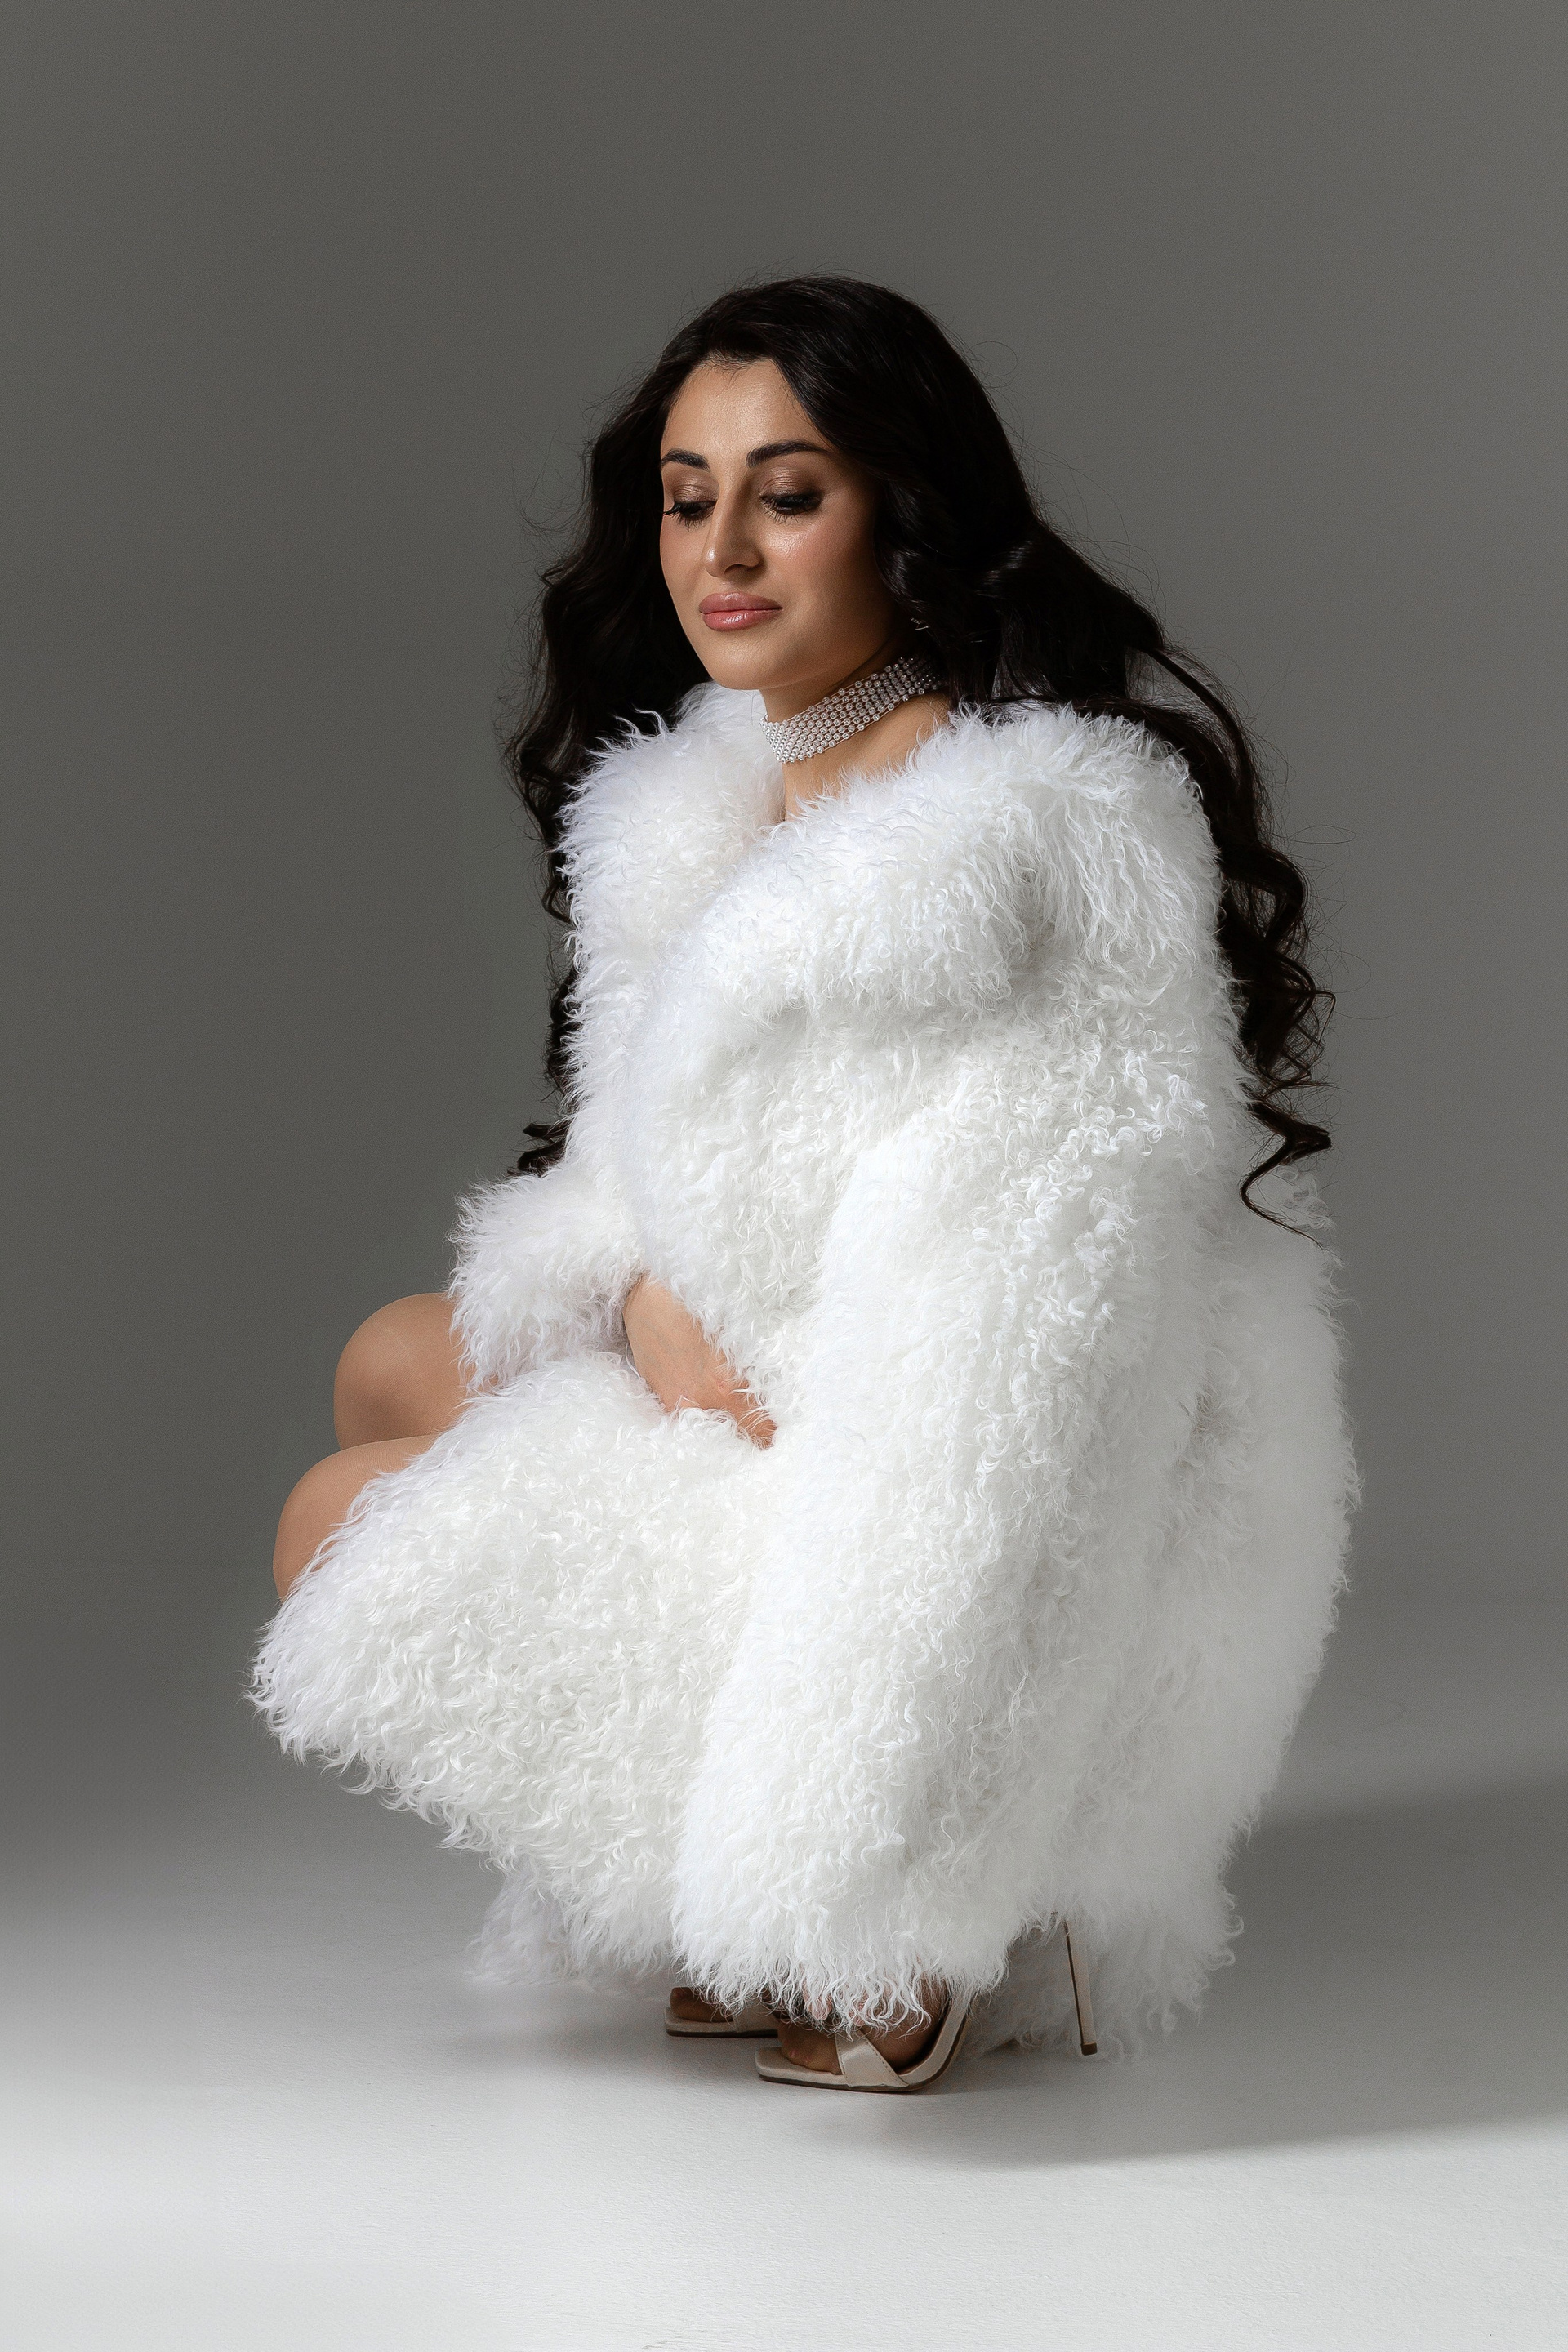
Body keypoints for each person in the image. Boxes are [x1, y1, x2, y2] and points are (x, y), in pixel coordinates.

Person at [255, 276, 1356, 2091]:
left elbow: (1030, 1372)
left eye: (788, 493)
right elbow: (645, 1184)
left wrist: (888, 1888)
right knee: (394, 1362)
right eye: (688, 499)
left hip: (925, 1478)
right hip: (755, 1374)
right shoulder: (709, 800)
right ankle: (704, 1902)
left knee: (337, 1519)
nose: (722, 553)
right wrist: (645, 1303)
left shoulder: (1025, 844)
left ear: (902, 512)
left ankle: (881, 1917)